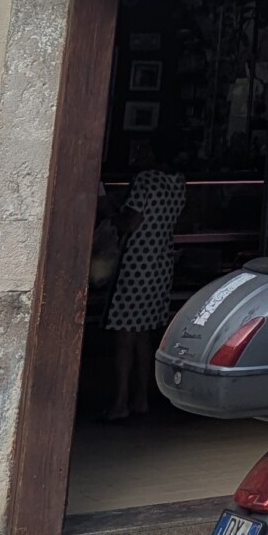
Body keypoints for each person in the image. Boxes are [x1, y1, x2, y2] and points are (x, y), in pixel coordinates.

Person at [104, 136, 189, 419]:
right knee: (144, 334)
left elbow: (132, 221)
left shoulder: (146, 180)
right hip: (161, 263)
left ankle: (120, 401)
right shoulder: (178, 182)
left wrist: (111, 212)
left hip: (136, 262)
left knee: (125, 334)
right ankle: (142, 398)